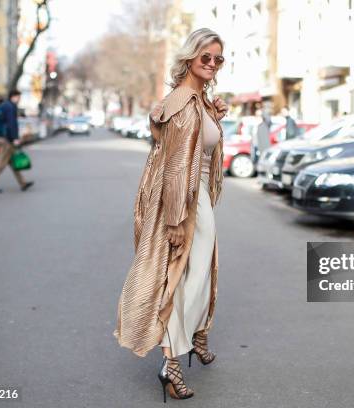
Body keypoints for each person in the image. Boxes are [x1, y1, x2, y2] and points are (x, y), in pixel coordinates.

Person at [113, 28, 227, 402]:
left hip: (197, 201)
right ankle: (171, 360)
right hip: (186, 204)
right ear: (190, 58)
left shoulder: (196, 100)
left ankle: (194, 335)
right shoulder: (182, 102)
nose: (211, 64)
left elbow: (198, 149)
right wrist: (177, 218)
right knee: (183, 279)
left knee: (198, 274)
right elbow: (178, 165)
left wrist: (214, 115)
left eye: (218, 59)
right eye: (205, 57)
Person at [0, 89, 33, 193]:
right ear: (13, 96)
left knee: (12, 161)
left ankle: (23, 183)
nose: (19, 99)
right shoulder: (10, 107)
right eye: (19, 97)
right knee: (0, 163)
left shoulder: (5, 106)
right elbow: (12, 124)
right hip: (6, 139)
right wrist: (15, 138)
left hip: (2, 137)